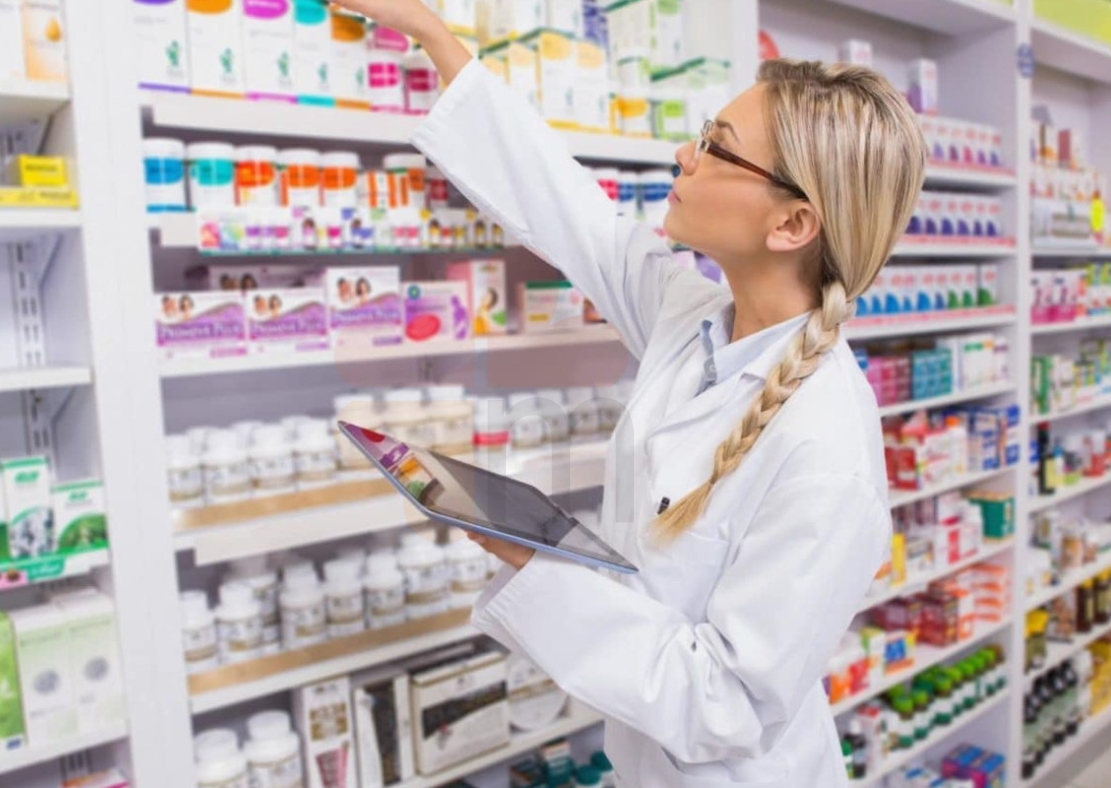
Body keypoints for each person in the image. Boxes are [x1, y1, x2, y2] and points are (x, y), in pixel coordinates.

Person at [328, 2, 926, 786]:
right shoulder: (697, 320)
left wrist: (535, 564)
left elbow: (728, 704)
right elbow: (578, 218)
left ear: (792, 224)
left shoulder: (827, 449)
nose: (686, 153)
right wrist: (439, 39)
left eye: (716, 148)